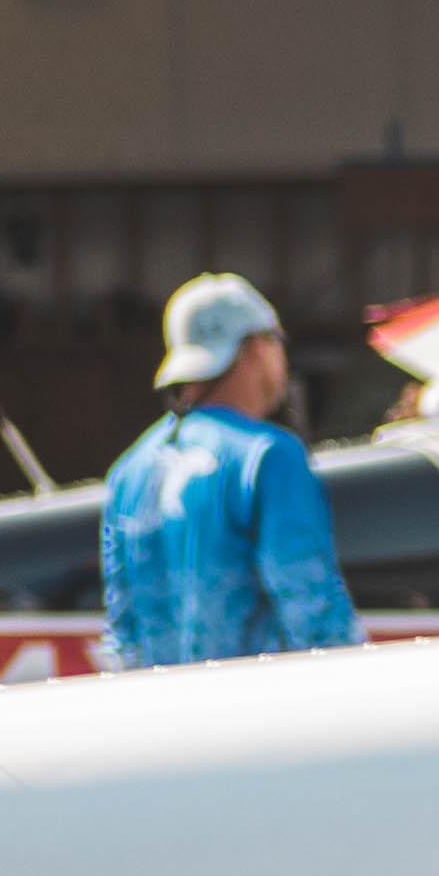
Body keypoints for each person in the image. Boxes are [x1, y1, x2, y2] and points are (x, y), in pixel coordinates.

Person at [95, 272, 363, 668]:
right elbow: (311, 608)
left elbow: (122, 632)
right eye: (277, 340)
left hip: (158, 720)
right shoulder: (269, 455)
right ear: (255, 348)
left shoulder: (128, 472)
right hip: (255, 719)